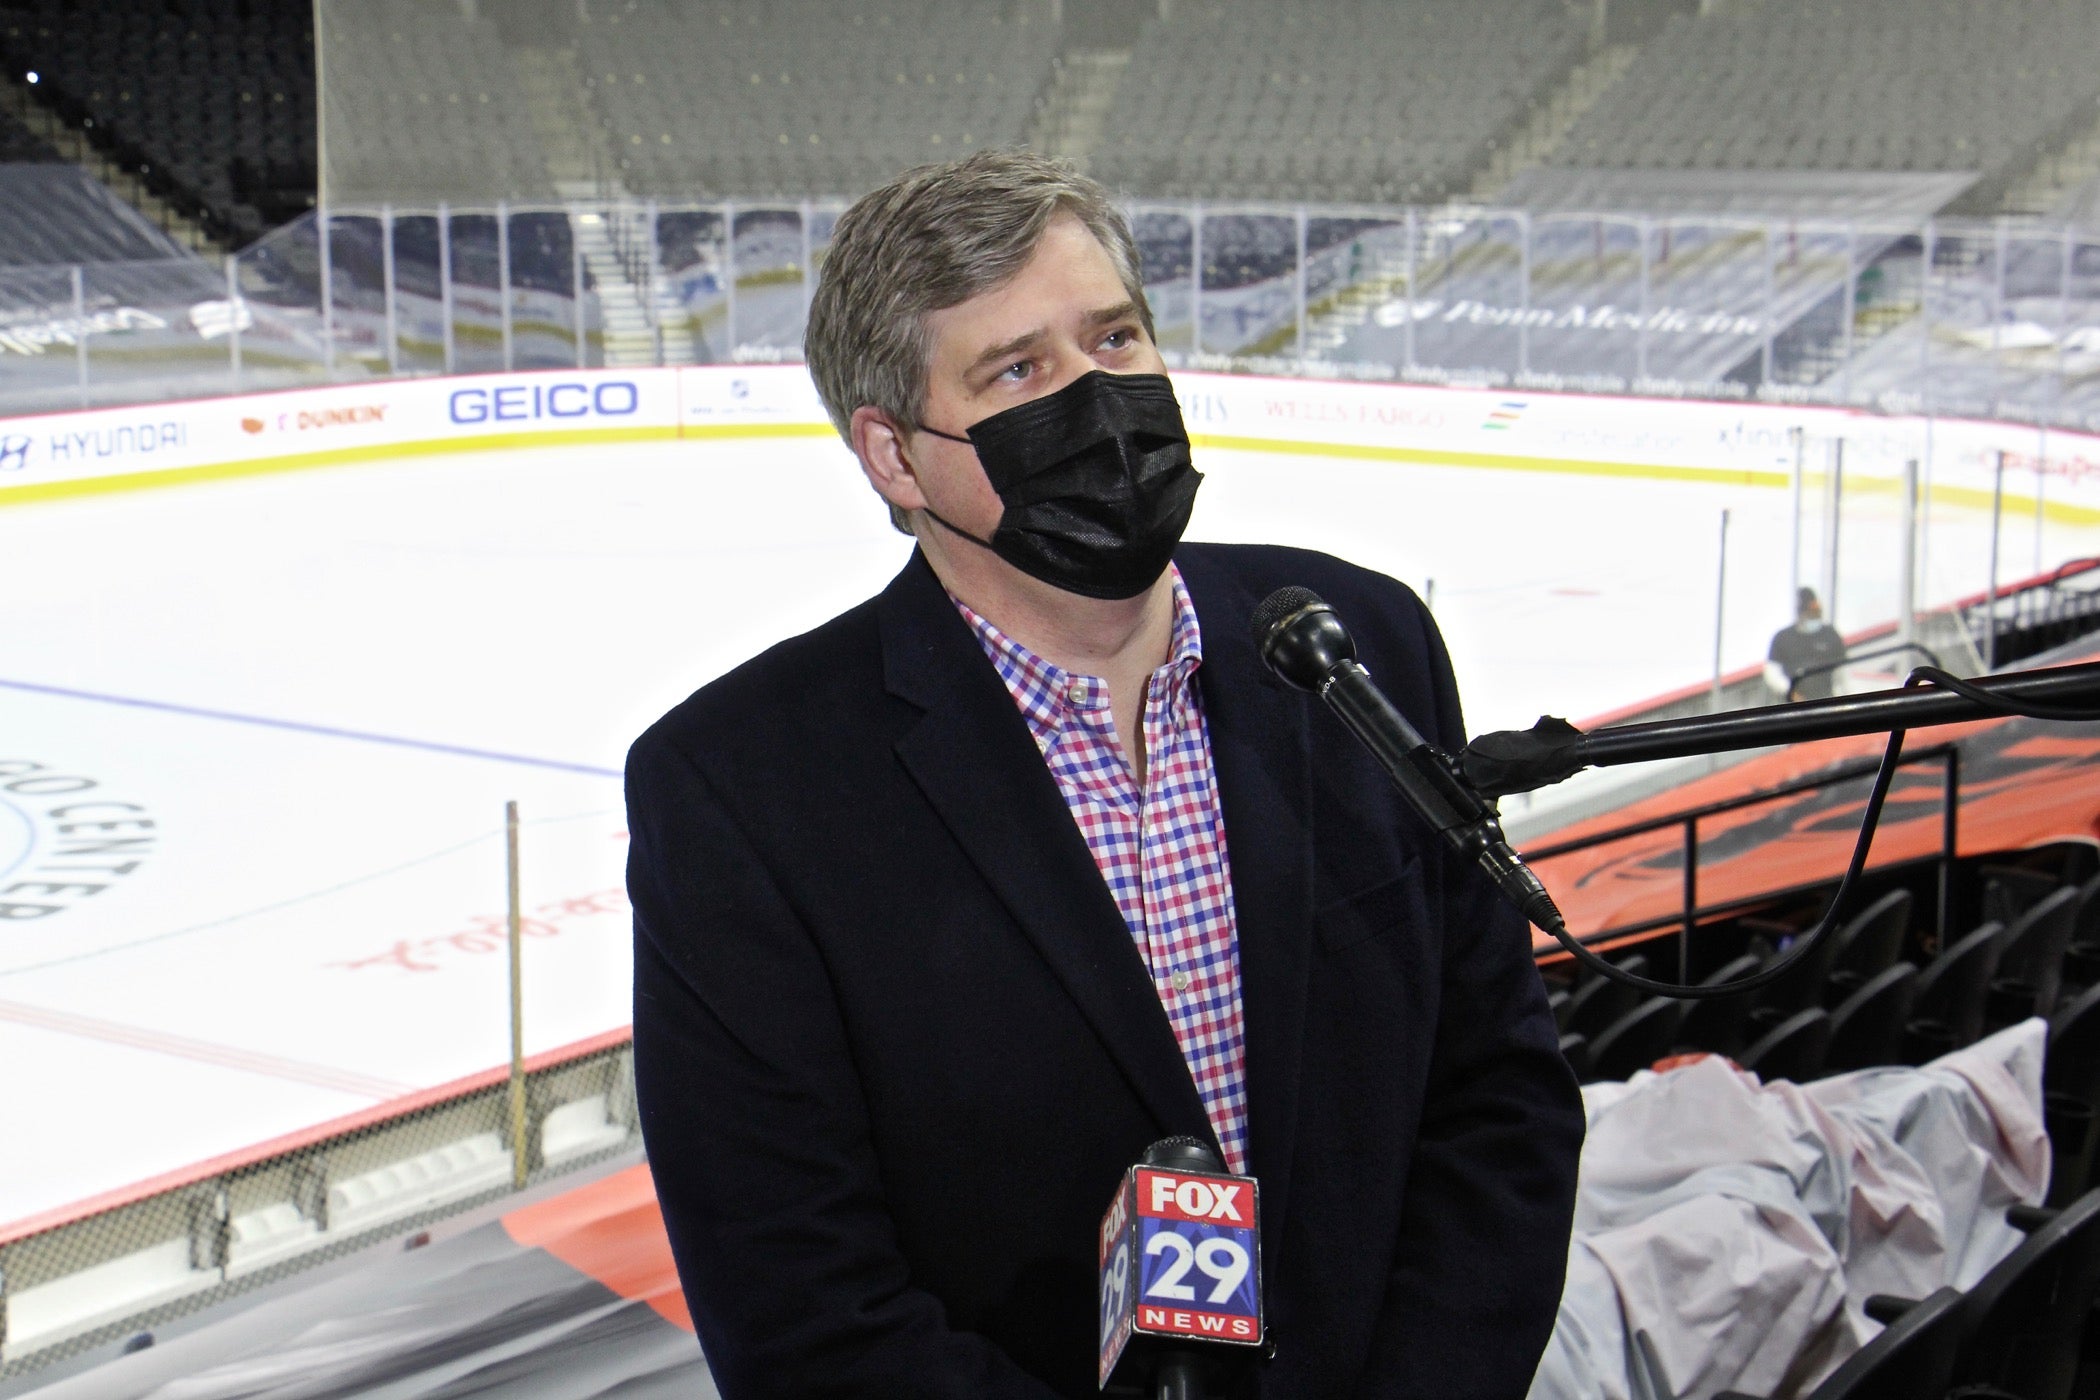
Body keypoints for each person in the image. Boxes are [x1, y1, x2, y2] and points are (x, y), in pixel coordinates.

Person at [626, 150, 1583, 1400]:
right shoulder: (741, 791)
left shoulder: (1359, 640)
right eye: (1019, 369)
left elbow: (1497, 1094)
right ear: (896, 459)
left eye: (1116, 338)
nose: (1099, 395)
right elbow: (806, 1317)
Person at [1765, 586, 1848, 700]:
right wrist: (1789, 690)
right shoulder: (1782, 638)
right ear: (1800, 614)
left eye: (1816, 613)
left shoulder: (1830, 635)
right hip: (1794, 705)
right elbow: (1772, 673)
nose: (1813, 617)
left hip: (1826, 701)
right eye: (1809, 613)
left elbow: (1842, 673)